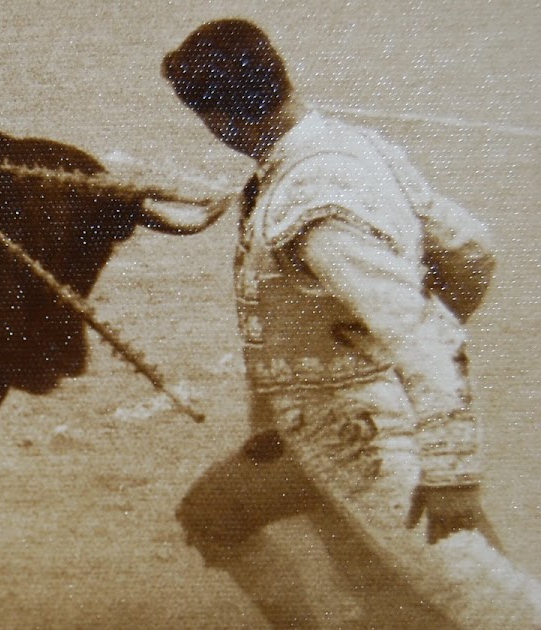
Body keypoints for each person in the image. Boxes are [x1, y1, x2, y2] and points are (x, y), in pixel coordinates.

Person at [160, 18, 540, 628]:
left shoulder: (312, 207)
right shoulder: (355, 147)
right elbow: (471, 248)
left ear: (217, 119)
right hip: (331, 423)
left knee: (486, 603)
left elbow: (412, 336)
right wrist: (416, 328)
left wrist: (451, 472)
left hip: (365, 440)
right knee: (214, 514)